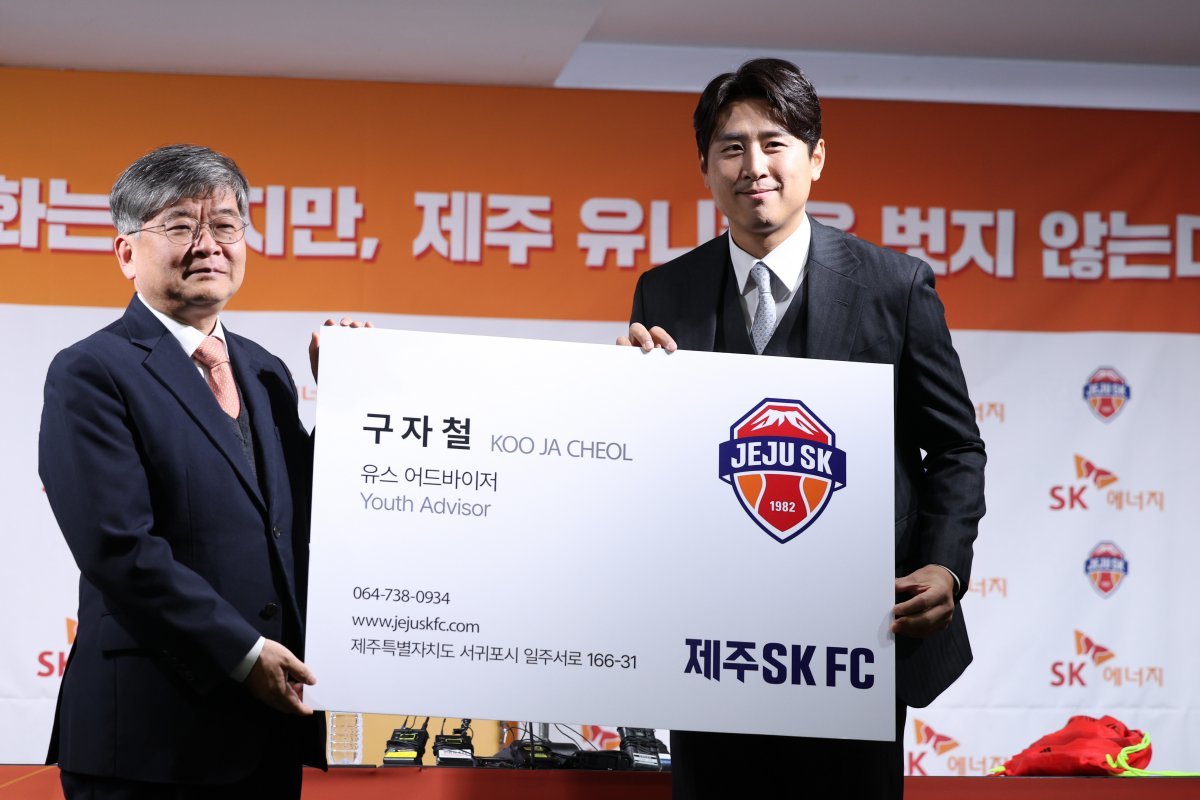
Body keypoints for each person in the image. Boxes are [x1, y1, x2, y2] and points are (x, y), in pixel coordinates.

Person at [618, 59, 986, 797]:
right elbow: (651, 466)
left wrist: (944, 568)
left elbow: (954, 446)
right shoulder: (665, 290)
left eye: (775, 142)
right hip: (712, 649)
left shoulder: (895, 286)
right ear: (706, 168)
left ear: (815, 158)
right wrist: (627, 399)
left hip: (855, 644)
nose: (754, 166)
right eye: (731, 148)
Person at [39, 144, 366, 799]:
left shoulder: (267, 370)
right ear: (126, 252)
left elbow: (308, 522)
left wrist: (353, 398)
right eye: (180, 225)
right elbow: (118, 548)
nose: (208, 242)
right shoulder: (91, 372)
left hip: (264, 731)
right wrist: (244, 654)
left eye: (225, 224)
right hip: (147, 737)